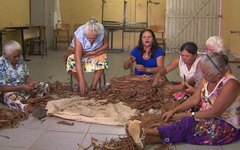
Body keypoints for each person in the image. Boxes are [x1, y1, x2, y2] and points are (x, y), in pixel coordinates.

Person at [126, 52, 240, 149]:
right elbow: (195, 99)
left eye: (206, 73)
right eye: (203, 72)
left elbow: (214, 112)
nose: (203, 76)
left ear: (219, 73)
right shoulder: (208, 78)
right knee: (177, 117)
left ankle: (144, 131)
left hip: (225, 126)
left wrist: (188, 115)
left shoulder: (231, 84)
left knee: (187, 123)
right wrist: (175, 110)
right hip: (206, 116)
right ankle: (146, 140)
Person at [0, 40, 48, 112]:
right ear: (6, 55)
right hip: (9, 92)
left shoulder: (20, 58)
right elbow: (2, 88)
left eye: (19, 55)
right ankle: (28, 107)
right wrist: (22, 87)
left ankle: (35, 99)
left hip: (23, 90)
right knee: (11, 98)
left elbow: (26, 76)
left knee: (44, 85)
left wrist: (31, 83)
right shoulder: (1, 63)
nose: (18, 58)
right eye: (15, 57)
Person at [65, 18, 108, 95]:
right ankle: (83, 85)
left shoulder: (101, 29)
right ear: (85, 35)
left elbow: (105, 45)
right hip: (80, 52)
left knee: (103, 58)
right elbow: (77, 59)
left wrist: (93, 52)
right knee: (71, 60)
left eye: (94, 38)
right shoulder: (79, 33)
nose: (91, 41)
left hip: (94, 51)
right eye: (89, 38)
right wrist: (81, 80)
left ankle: (93, 86)